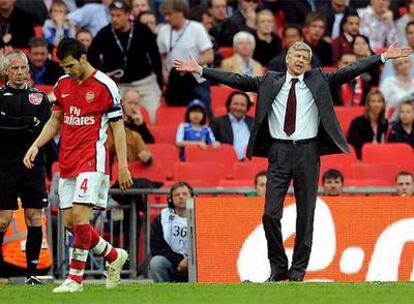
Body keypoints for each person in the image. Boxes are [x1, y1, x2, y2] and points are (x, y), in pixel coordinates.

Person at [173, 40, 411, 282]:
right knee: (270, 215)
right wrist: (201, 70)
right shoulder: (269, 80)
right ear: (287, 58)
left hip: (308, 153)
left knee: (305, 216)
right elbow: (237, 79)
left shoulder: (320, 79)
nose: (300, 61)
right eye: (296, 56)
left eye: (304, 59)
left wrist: (382, 57)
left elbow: (350, 70)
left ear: (308, 64)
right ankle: (278, 269)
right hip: (279, 152)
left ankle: (296, 273)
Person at [23, 37, 133, 293]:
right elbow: (55, 121)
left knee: (81, 220)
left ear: (83, 58)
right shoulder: (63, 84)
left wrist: (124, 166)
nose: (68, 71)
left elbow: (118, 129)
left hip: (92, 160)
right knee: (71, 223)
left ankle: (75, 280)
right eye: (63, 67)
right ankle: (113, 255)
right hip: (67, 161)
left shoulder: (106, 86)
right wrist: (36, 145)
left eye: (71, 65)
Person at [0, 50, 51, 284]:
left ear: (28, 71)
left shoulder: (40, 97)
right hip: (5, 166)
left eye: (23, 68)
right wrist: (28, 123)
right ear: (6, 72)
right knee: (2, 219)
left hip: (34, 166)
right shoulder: (0, 96)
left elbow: (44, 130)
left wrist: (15, 126)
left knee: (33, 217)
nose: (20, 72)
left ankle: (32, 273)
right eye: (15, 68)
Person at [88, 0, 162, 124]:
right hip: (118, 85)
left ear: (128, 15)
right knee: (114, 120)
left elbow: (155, 56)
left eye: (118, 15)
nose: (115, 19)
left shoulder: (142, 30)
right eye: (112, 15)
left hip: (144, 84)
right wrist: (103, 72)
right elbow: (91, 56)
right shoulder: (105, 33)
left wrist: (160, 82)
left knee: (152, 117)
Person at [157, 0, 213, 113]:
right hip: (175, 81)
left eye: (169, 14)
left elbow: (209, 55)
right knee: (175, 115)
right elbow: (163, 55)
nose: (167, 18)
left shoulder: (196, 28)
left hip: (197, 81)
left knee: (203, 115)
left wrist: (190, 65)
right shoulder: (163, 30)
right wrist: (164, 71)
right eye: (165, 15)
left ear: (180, 13)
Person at [149, 181, 193, 282]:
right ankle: (163, 293)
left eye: (185, 194)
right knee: (156, 262)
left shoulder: (203, 216)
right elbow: (156, 248)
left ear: (192, 197)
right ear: (171, 199)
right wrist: (178, 261)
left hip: (197, 264)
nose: (181, 197)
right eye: (177, 195)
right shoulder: (162, 218)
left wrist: (189, 261)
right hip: (172, 263)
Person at [210, 91, 254, 160]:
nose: (239, 108)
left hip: (250, 163)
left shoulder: (254, 123)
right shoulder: (217, 122)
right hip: (225, 162)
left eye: (242, 105)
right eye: (235, 104)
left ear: (247, 107)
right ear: (229, 105)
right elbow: (210, 141)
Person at [347, 90, 389, 159]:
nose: (376, 104)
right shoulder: (357, 123)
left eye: (379, 101)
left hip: (380, 157)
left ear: (383, 104)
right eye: (373, 101)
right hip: (361, 158)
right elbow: (353, 147)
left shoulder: (384, 123)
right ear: (368, 104)